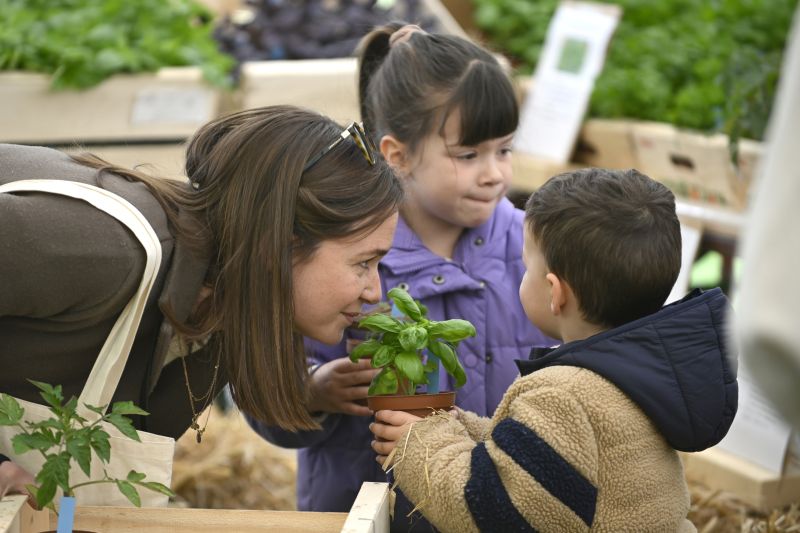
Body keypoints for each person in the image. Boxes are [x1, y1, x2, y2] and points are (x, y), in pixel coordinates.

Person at [0, 105, 403, 500]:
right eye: (363, 262)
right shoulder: (104, 251)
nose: (375, 291)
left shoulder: (229, 306)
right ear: (280, 245)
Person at [249, 22, 554, 528]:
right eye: (468, 155)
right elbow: (262, 379)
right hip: (373, 513)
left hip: (504, 510)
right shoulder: (344, 257)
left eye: (504, 149)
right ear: (397, 155)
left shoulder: (535, 248)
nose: (495, 173)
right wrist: (310, 391)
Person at [370, 168, 739, 532]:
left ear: (555, 292)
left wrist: (419, 443)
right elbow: (540, 461)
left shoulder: (563, 395)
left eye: (526, 265)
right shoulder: (641, 374)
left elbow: (491, 513)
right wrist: (460, 427)